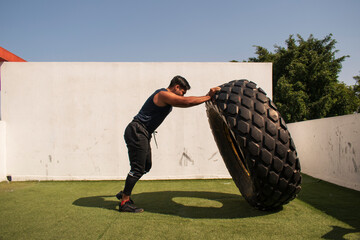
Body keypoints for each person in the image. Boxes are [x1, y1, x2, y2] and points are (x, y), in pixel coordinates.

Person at [116, 75, 221, 213]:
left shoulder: (164, 96)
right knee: (137, 168)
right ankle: (124, 202)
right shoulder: (162, 94)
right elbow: (186, 102)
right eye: (182, 91)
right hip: (137, 131)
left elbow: (184, 100)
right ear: (176, 87)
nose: (183, 95)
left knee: (146, 166)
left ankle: (124, 192)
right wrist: (208, 96)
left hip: (143, 133)